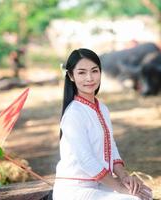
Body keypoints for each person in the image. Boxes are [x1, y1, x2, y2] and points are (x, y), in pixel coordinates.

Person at [52, 48, 153, 200]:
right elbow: (86, 160)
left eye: (94, 71)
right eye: (81, 72)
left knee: (146, 194)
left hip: (101, 184)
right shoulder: (73, 114)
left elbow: (111, 147)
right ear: (71, 76)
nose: (89, 78)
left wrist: (124, 177)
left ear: (100, 72)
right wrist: (119, 187)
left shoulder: (102, 108)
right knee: (133, 199)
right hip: (75, 190)